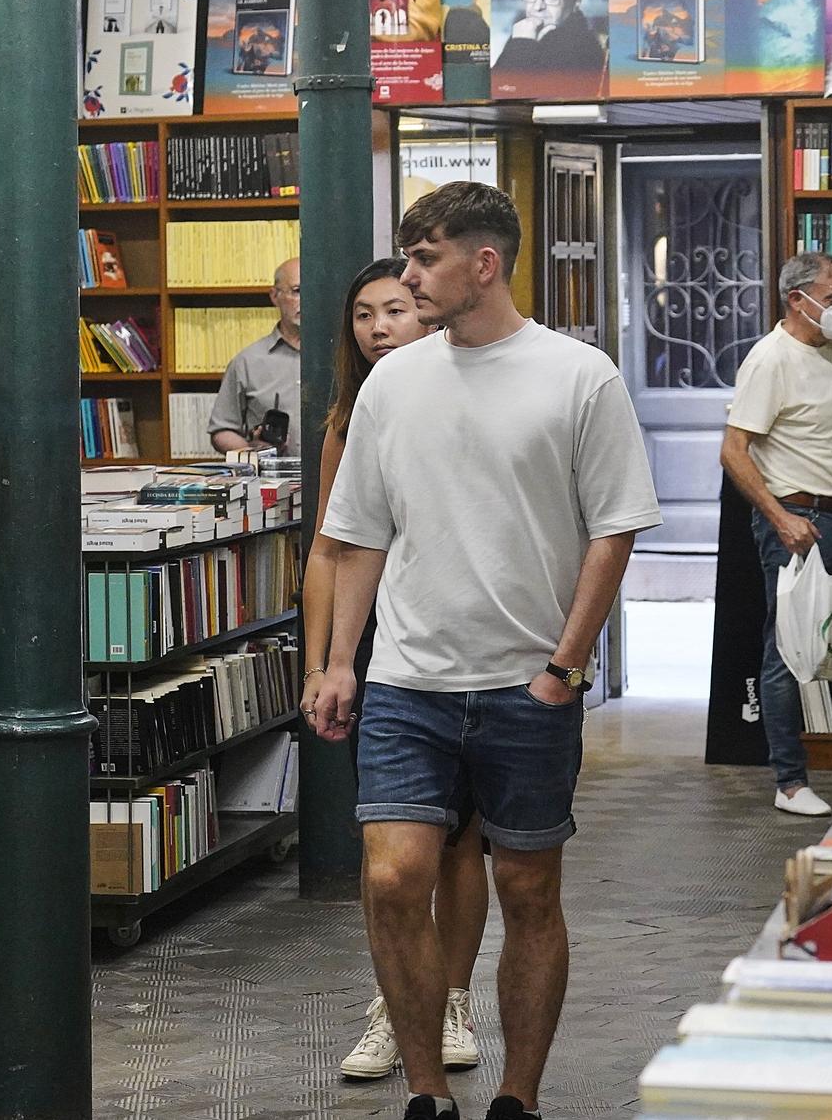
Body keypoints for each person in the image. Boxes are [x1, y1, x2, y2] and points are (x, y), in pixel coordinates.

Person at [309, 182, 660, 1120]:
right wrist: (341, 661)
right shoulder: (392, 383)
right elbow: (360, 533)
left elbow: (614, 529)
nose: (408, 278)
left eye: (424, 258)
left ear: (485, 262)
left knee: (528, 890)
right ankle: (428, 1091)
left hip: (524, 687)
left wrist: (566, 667)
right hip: (408, 682)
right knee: (391, 878)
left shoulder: (578, 376)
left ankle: (518, 1095)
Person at [300, 259, 488, 1081]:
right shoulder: (348, 418)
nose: (378, 327)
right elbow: (329, 548)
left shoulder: (470, 396)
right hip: (372, 638)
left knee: (462, 841)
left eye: (396, 309)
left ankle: (450, 997)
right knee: (392, 846)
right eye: (363, 313)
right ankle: (396, 1004)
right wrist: (321, 662)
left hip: (464, 635)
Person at [719, 252, 832, 816]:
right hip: (794, 522)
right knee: (789, 651)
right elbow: (733, 451)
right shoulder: (769, 360)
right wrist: (779, 516)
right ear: (798, 300)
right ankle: (789, 781)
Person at [209, 257, 302, 454]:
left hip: (335, 480)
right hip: (272, 480)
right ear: (274, 296)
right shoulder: (247, 362)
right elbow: (222, 430)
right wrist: (253, 452)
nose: (307, 300)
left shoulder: (342, 356)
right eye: (297, 291)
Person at [491, 0, 605, 97]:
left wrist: (521, 45)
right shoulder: (528, 34)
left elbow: (503, 96)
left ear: (576, 1)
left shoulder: (581, 50)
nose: (537, 7)